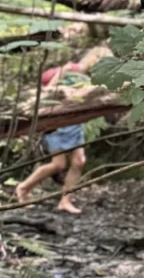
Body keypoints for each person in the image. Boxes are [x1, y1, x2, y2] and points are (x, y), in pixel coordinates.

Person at [15, 48, 110, 214]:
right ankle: (23, 188)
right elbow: (48, 91)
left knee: (79, 161)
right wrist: (65, 92)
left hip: (75, 123)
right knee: (58, 164)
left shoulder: (89, 78)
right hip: (59, 122)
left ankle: (65, 200)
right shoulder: (69, 70)